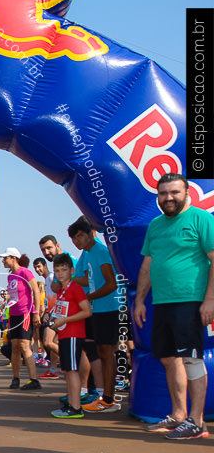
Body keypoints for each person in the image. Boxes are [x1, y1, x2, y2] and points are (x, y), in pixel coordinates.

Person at [133, 172, 214, 439]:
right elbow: (147, 264)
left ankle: (197, 422)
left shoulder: (202, 219)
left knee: (191, 359)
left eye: (174, 192)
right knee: (169, 359)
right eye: (163, 193)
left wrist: (210, 299)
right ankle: (178, 415)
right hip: (162, 303)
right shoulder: (155, 225)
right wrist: (140, 301)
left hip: (191, 301)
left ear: (186, 192)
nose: (168, 198)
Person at [68, 217, 124, 413]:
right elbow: (88, 279)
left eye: (80, 236)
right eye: (74, 238)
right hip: (99, 309)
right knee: (102, 352)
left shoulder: (100, 251)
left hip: (109, 308)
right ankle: (105, 397)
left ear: (90, 233)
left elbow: (111, 283)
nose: (77, 241)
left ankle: (109, 399)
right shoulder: (89, 253)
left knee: (107, 353)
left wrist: (90, 296)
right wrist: (71, 280)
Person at [49, 254, 92, 418]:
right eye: (57, 270)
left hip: (74, 334)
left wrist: (64, 320)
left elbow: (87, 311)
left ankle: (75, 407)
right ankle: (73, 403)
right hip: (65, 334)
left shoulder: (75, 288)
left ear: (71, 270)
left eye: (64, 270)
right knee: (67, 370)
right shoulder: (61, 290)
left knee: (72, 370)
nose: (60, 273)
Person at [0, 248, 42, 390]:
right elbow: (13, 296)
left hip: (25, 313)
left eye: (5, 258)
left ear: (14, 258)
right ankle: (16, 378)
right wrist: (4, 306)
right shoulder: (11, 276)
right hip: (14, 314)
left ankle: (33, 379)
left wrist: (35, 312)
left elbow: (36, 290)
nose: (3, 261)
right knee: (15, 347)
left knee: (24, 345)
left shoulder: (25, 272)